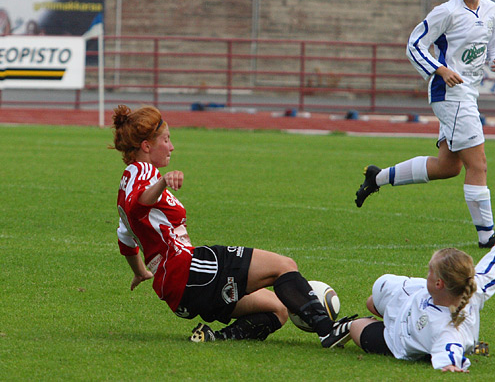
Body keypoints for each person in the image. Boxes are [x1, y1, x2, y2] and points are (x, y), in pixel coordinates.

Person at [111, 104, 355, 347]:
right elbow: (138, 205)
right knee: (284, 266)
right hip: (188, 270)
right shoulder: (142, 172)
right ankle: (328, 330)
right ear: (146, 146)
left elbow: (126, 239)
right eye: (166, 139)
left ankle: (215, 337)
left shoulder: (127, 181)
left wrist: (140, 272)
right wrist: (163, 181)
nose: (171, 146)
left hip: (181, 290)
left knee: (278, 310)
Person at [355, 0, 495, 249]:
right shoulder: (446, 12)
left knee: (448, 167)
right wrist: (439, 70)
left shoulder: (492, 10)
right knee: (478, 164)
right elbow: (414, 44)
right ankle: (487, 237)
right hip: (449, 94)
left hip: (468, 93)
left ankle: (377, 178)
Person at [345, 216, 495, 372]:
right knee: (374, 298)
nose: (427, 273)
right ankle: (463, 346)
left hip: (398, 340)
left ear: (439, 283)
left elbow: (450, 348)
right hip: (412, 299)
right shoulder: (472, 286)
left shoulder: (445, 329)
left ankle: (429, 350)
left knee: (356, 326)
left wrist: (449, 365)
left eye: (429, 271)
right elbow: (490, 269)